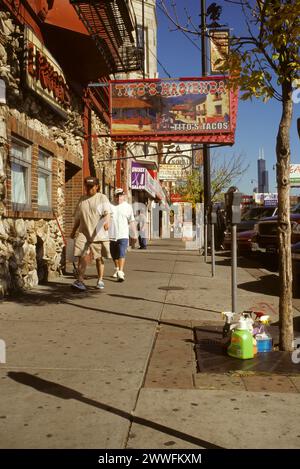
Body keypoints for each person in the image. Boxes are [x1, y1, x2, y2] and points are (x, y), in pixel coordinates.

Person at [70, 176, 111, 291]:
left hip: (98, 233)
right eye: (86, 186)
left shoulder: (102, 198)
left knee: (99, 258)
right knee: (82, 256)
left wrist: (107, 222)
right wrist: (73, 231)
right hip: (83, 232)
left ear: (97, 187)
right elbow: (78, 217)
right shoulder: (82, 199)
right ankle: (80, 281)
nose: (88, 189)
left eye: (91, 187)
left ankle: (100, 279)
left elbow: (107, 213)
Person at [109, 188, 137, 282]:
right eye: (117, 196)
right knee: (114, 254)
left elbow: (131, 220)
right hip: (112, 235)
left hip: (123, 234)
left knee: (121, 253)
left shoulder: (128, 207)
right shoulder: (109, 205)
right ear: (114, 196)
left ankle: (120, 272)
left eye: (121, 196)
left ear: (124, 196)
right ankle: (117, 268)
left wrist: (134, 234)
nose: (119, 198)